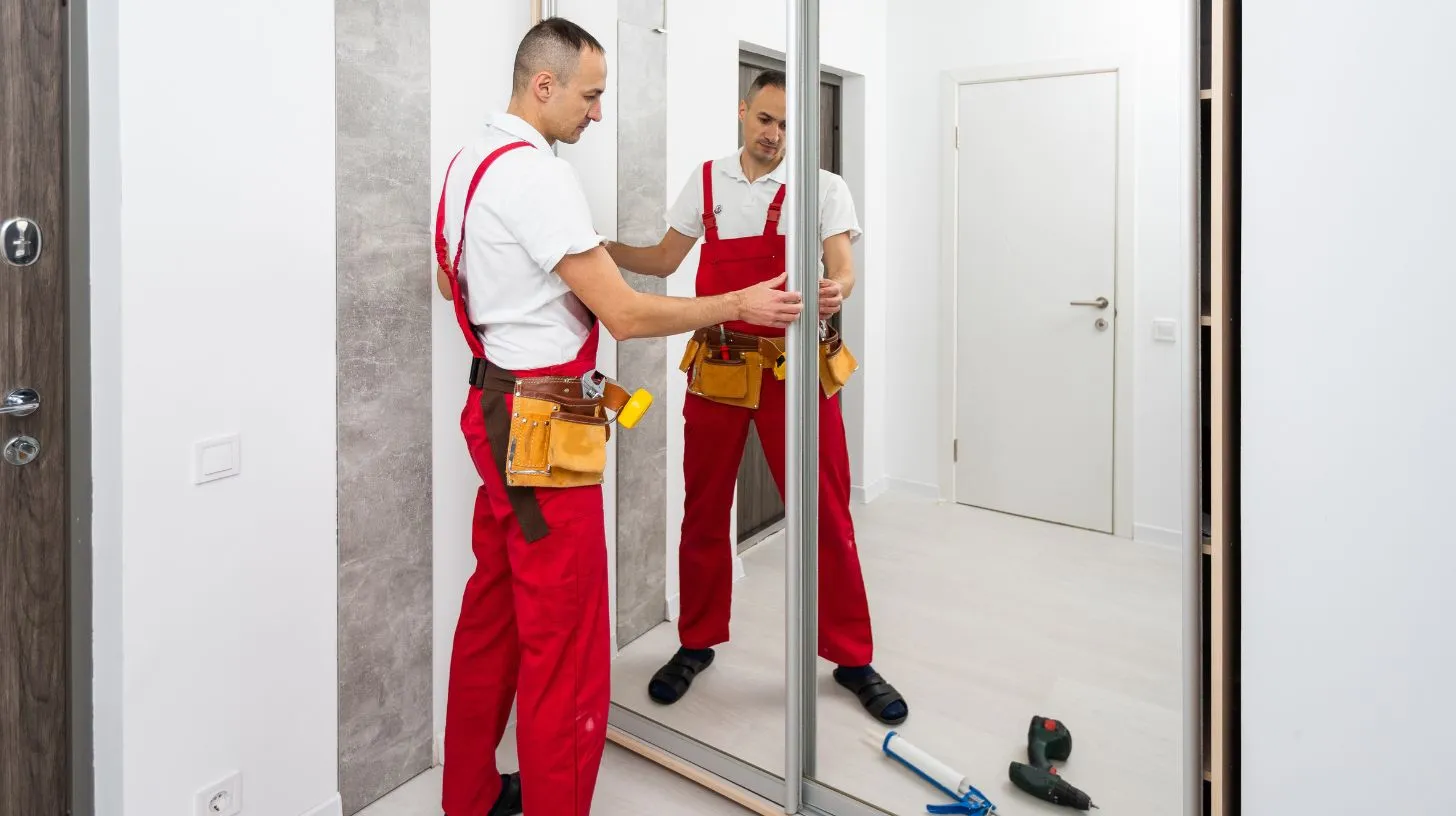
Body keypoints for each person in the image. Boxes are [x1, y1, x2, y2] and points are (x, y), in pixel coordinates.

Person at [434, 21, 804, 816]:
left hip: (492, 404)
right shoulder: (537, 176)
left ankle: (466, 797)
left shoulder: (468, 163)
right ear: (544, 85)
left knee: (492, 615)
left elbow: (449, 281)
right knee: (563, 640)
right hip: (540, 428)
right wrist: (737, 302)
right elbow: (628, 314)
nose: (597, 113)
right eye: (591, 94)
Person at [605, 69, 909, 727]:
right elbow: (662, 260)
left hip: (794, 371)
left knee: (828, 509)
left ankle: (852, 657)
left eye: (786, 124)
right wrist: (595, 251)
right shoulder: (708, 181)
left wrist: (840, 287)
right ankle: (696, 642)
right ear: (743, 113)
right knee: (704, 508)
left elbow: (844, 267)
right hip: (717, 369)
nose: (775, 135)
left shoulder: (823, 188)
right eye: (765, 119)